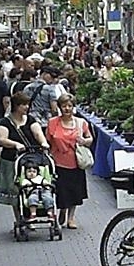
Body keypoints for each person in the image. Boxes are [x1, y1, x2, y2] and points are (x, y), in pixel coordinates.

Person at [0, 92, 49, 222]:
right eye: (23, 105)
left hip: (30, 159)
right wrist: (15, 144)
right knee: (15, 191)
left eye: (27, 104)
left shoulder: (30, 120)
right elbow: (2, 139)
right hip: (12, 159)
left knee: (33, 186)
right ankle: (19, 218)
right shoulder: (5, 122)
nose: (27, 107)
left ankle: (32, 214)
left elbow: (38, 133)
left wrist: (44, 143)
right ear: (16, 106)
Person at [46, 94, 92, 229]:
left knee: (75, 192)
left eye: (70, 106)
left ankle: (71, 218)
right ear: (60, 107)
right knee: (61, 191)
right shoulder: (53, 122)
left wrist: (84, 141)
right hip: (58, 162)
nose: (67, 109)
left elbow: (90, 139)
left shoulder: (81, 123)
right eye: (64, 106)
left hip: (76, 162)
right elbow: (47, 141)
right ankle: (63, 210)